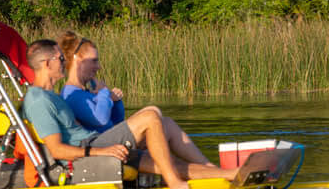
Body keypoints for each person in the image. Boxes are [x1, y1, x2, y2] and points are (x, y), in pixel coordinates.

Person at [22, 39, 242, 189]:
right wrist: (102, 151)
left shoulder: (52, 95)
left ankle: (226, 174)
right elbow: (58, 150)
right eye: (61, 59)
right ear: (46, 63)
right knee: (149, 116)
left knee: (165, 133)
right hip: (88, 153)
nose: (64, 62)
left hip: (94, 142)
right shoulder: (37, 100)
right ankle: (175, 185)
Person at [57, 31, 218, 170]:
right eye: (94, 60)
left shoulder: (87, 91)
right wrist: (105, 93)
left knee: (164, 120)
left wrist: (115, 101)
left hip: (107, 137)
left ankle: (208, 167)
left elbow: (115, 121)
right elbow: (100, 119)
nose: (98, 66)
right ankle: (171, 173)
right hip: (100, 145)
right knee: (150, 114)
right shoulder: (72, 94)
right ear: (78, 59)